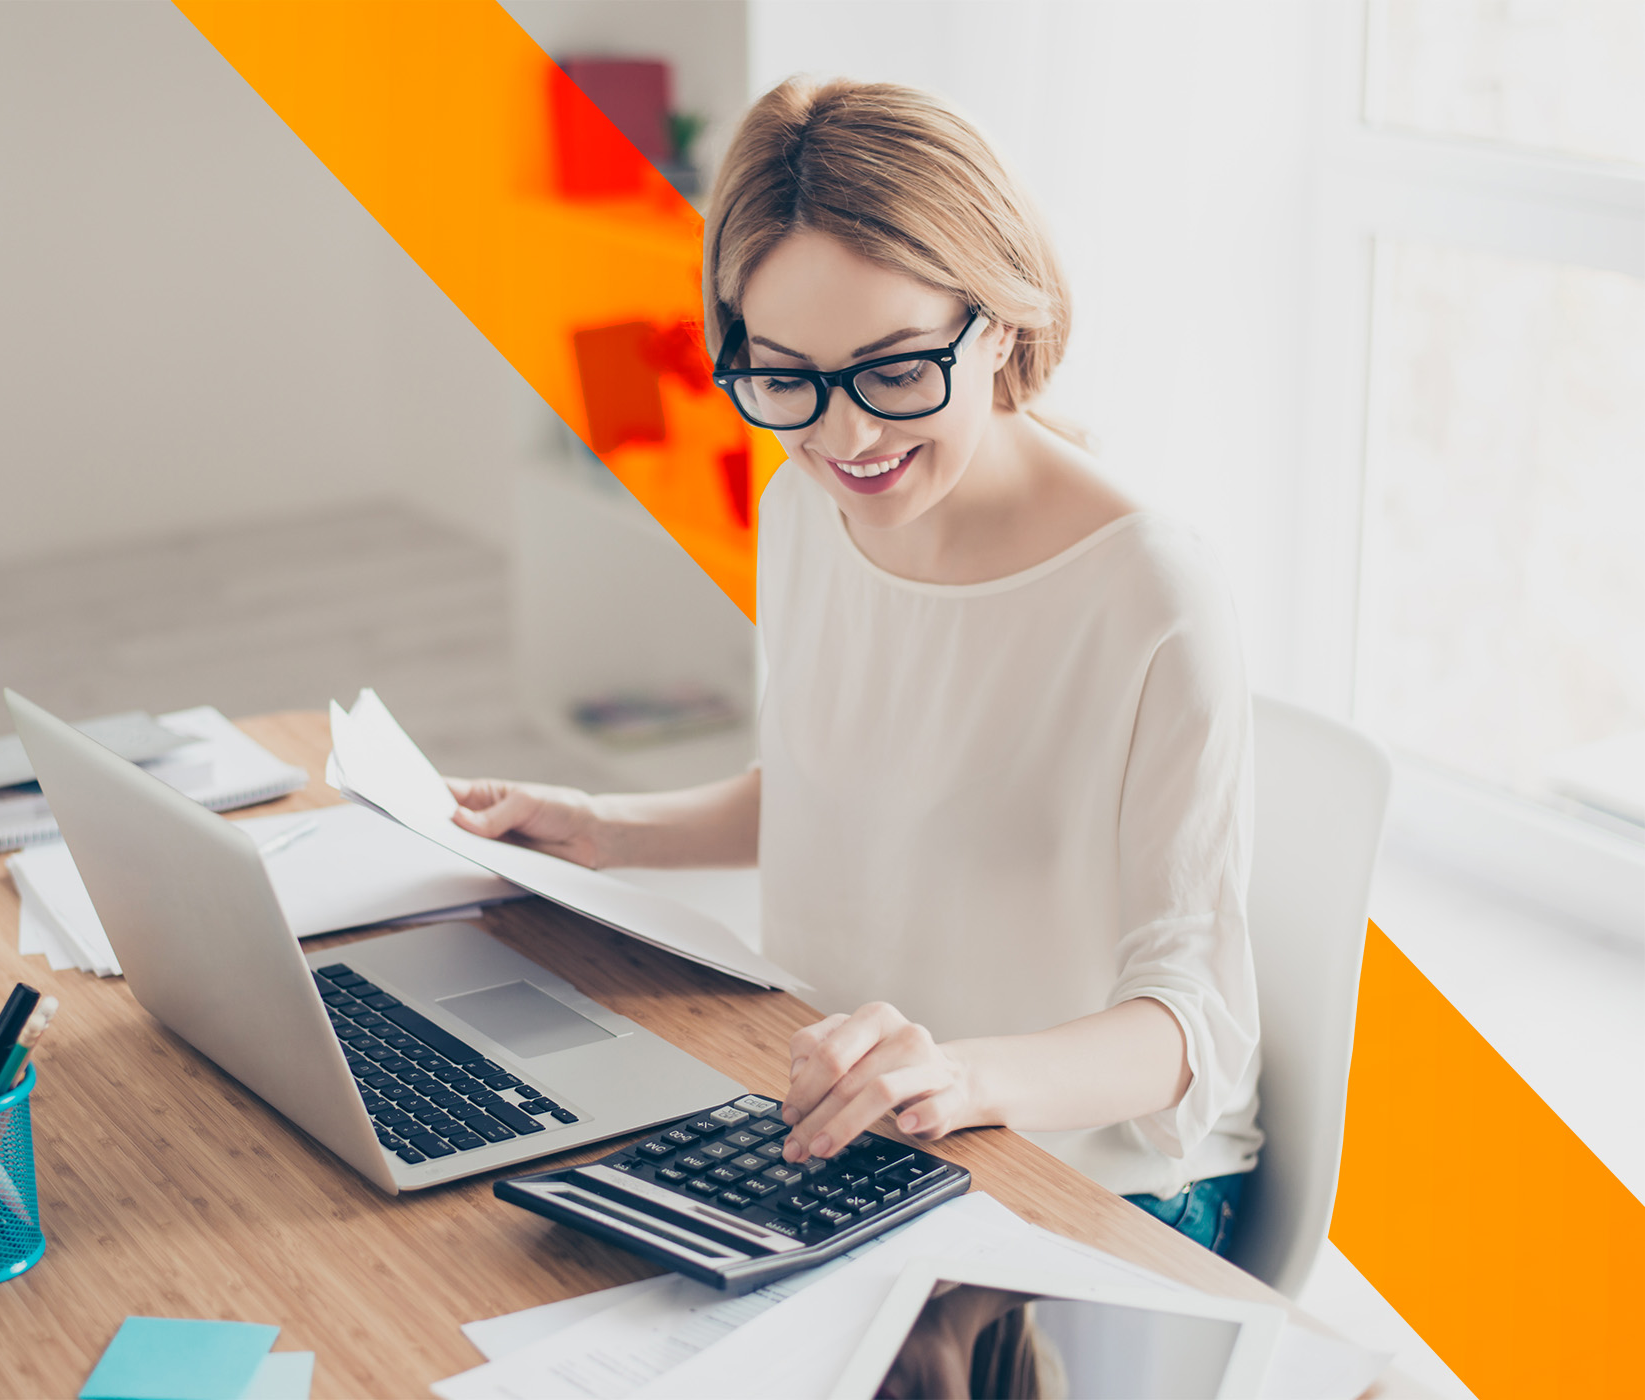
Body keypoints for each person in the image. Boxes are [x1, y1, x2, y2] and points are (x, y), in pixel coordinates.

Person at [447, 77, 1260, 1252]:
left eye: (891, 371)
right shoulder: (803, 510)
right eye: (785, 376)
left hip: (1084, 1184)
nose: (844, 437)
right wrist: (602, 827)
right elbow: (839, 790)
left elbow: (1194, 1021)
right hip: (844, 1138)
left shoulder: (1148, 588)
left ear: (1002, 320)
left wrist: (961, 1076)